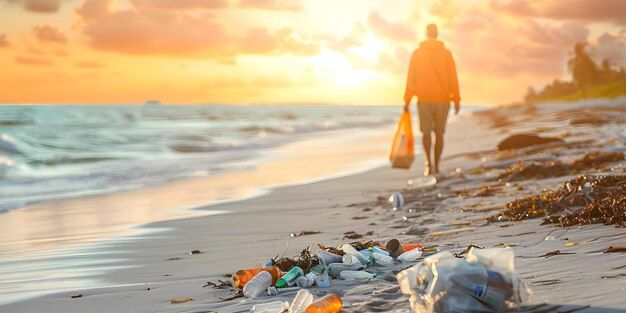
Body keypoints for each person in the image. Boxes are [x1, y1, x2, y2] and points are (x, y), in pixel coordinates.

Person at [403, 23, 460, 176]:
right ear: (437, 34)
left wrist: (407, 100)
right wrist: (456, 99)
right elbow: (453, 77)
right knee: (439, 134)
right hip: (443, 100)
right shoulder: (446, 54)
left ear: (426, 33)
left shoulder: (417, 54)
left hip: (423, 100)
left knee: (426, 133)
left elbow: (411, 78)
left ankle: (428, 164)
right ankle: (437, 166)